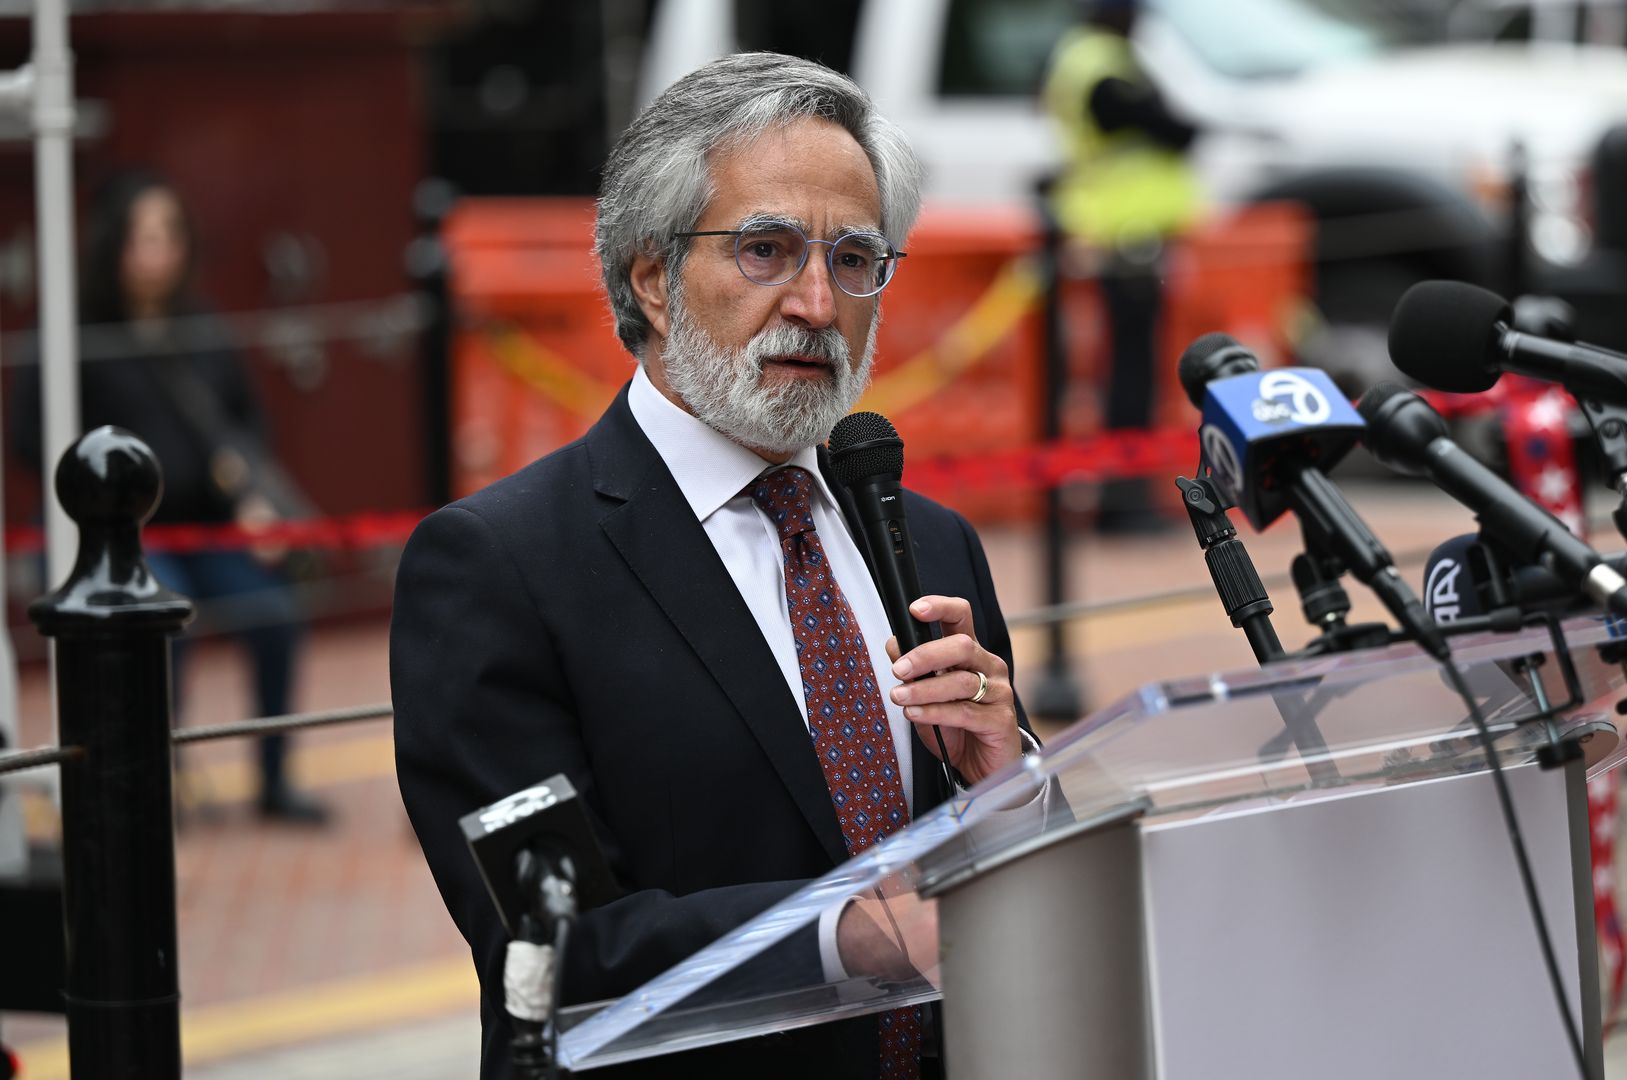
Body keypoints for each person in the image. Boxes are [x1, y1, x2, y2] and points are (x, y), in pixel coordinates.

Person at [392, 53, 1035, 1079]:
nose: (817, 303)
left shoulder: (930, 540)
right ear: (652, 277)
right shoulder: (497, 566)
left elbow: (1006, 893)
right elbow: (553, 956)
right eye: (766, 250)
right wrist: (847, 936)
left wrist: (1016, 788)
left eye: (855, 258)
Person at [15, 171, 324, 824]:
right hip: (123, 538)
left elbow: (245, 423)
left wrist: (249, 498)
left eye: (169, 235)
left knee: (273, 611)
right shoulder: (73, 331)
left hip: (205, 526)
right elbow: (28, 434)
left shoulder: (200, 324)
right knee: (160, 623)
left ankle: (274, 779)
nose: (157, 252)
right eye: (142, 236)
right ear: (113, 244)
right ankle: (156, 780)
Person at [1041, 0, 1201, 533]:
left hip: (1120, 236)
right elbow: (1163, 126)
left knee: (1129, 372)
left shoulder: (1087, 56)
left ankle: (1125, 499)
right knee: (1131, 377)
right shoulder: (1101, 63)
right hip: (1123, 239)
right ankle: (1124, 503)